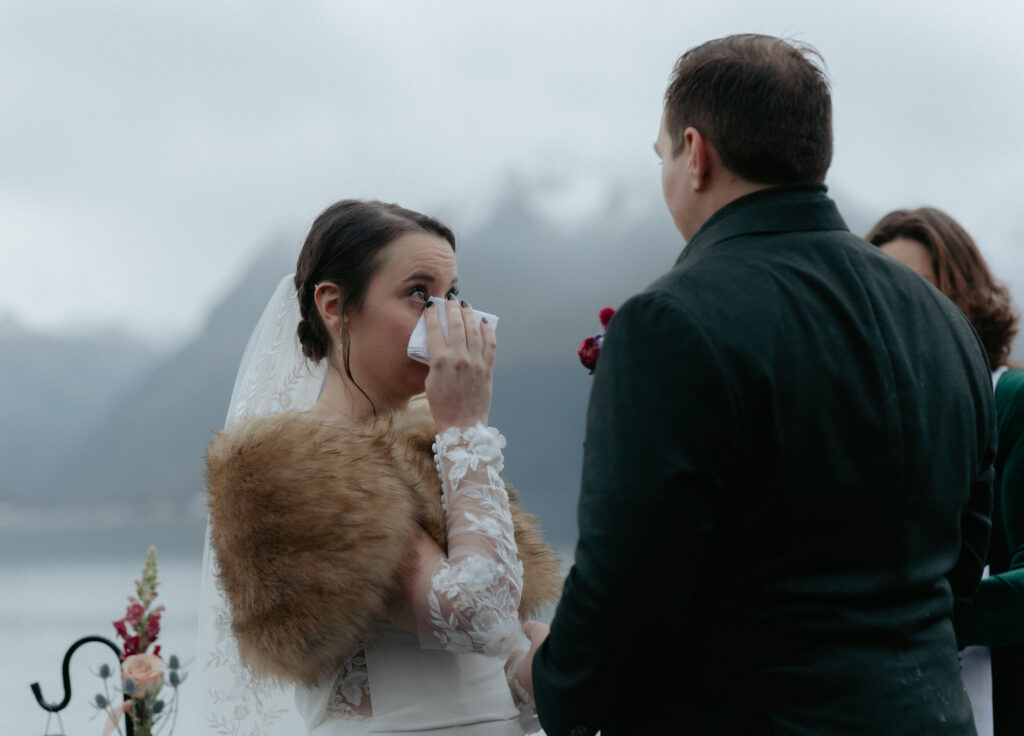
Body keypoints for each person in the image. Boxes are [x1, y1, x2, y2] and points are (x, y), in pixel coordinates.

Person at [509, 34, 996, 735]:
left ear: (697, 153)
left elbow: (629, 583)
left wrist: (551, 678)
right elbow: (959, 564)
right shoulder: (945, 324)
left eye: (664, 156)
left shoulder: (671, 321)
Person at [192, 199, 563, 735]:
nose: (448, 319)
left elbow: (480, 676)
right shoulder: (291, 467)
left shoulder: (438, 451)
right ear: (335, 306)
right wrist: (464, 426)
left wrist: (544, 670)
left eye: (452, 295)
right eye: (419, 293)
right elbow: (478, 615)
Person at [868, 207, 1024, 736]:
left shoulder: (1013, 402)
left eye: (923, 291)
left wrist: (920, 619)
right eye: (880, 297)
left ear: (968, 298)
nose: (900, 314)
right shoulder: (865, 434)